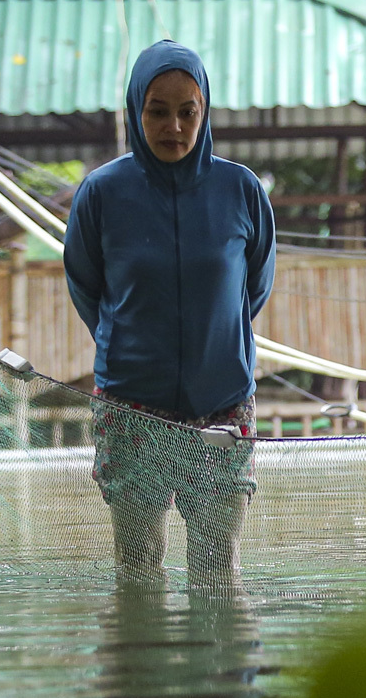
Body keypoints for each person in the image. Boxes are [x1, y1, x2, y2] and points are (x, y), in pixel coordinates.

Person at [65, 40, 276, 588]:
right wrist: (134, 343)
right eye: (158, 110)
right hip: (133, 411)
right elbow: (87, 287)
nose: (174, 127)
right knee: (138, 574)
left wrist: (212, 342)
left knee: (217, 575)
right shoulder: (103, 193)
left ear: (205, 112)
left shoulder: (241, 190)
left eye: (188, 112)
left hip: (223, 408)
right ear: (137, 109)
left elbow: (253, 287)